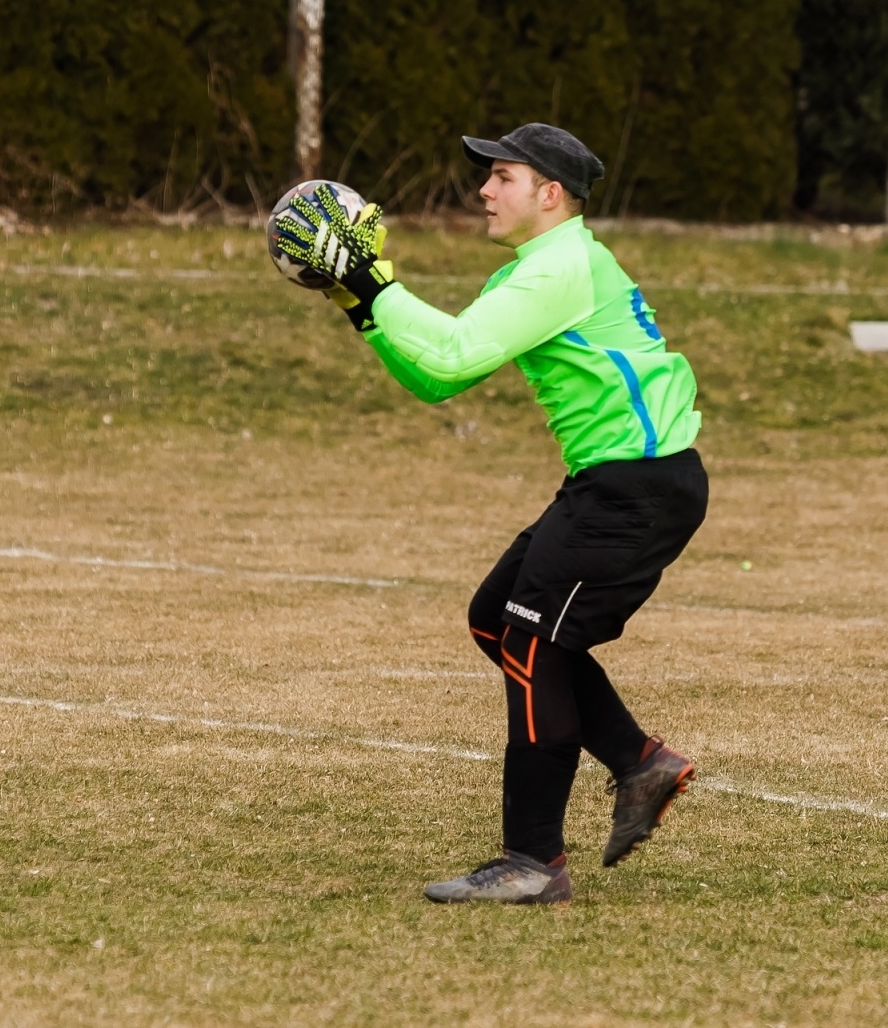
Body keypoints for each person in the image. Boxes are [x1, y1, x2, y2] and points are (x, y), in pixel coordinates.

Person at [272, 123, 708, 905]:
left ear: (551, 194)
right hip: (617, 482)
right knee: (496, 620)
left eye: (503, 176)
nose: (484, 189)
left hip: (635, 488)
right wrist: (361, 302)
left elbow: (452, 353)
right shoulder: (539, 267)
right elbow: (439, 377)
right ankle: (639, 763)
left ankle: (533, 861)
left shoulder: (561, 267)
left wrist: (372, 282)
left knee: (533, 644)